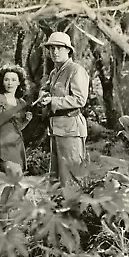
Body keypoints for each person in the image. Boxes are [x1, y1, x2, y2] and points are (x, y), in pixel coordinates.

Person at [38, 32, 89, 186]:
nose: (54, 51)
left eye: (59, 48)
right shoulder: (54, 72)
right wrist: (43, 95)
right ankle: (58, 209)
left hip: (71, 128)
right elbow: (47, 89)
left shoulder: (75, 70)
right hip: (56, 128)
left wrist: (53, 101)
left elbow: (80, 99)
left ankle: (74, 209)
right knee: (56, 176)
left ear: (68, 50)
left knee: (72, 176)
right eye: (51, 48)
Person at [0, 64, 32, 227]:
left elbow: (18, 128)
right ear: (2, 81)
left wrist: (26, 121)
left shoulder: (21, 102)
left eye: (13, 79)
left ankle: (4, 218)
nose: (10, 83)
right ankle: (6, 216)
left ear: (19, 82)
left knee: (14, 183)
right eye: (6, 79)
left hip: (18, 145)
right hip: (4, 144)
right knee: (20, 185)